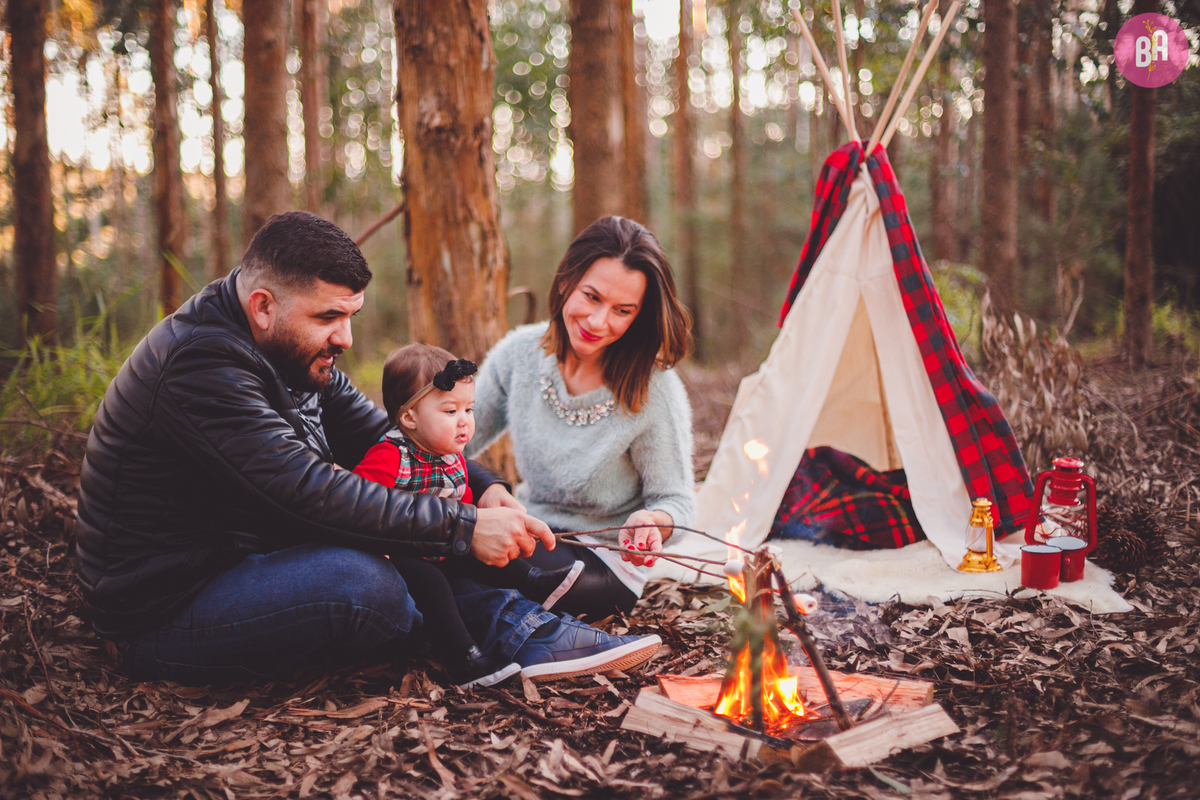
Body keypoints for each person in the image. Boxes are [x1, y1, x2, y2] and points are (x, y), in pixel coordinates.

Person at [76, 211, 660, 685]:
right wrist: (461, 528)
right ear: (263, 306)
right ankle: (499, 632)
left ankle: (514, 625)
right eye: (329, 317)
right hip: (169, 611)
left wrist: (486, 489)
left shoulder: (289, 348)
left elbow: (384, 436)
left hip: (255, 555)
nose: (346, 338)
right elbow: (304, 492)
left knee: (409, 536)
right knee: (366, 586)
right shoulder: (200, 366)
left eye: (351, 315)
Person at [467, 215, 695, 621]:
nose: (598, 322)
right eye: (592, 297)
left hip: (601, 564)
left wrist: (651, 522)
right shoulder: (519, 355)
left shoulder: (653, 387)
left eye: (622, 310)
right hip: (532, 531)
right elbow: (453, 440)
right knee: (457, 545)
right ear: (565, 281)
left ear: (638, 316)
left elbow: (676, 503)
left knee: (479, 553)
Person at [351, 343, 590, 688]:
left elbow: (464, 507)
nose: (464, 421)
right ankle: (463, 659)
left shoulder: (451, 456)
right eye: (450, 411)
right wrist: (378, 549)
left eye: (469, 409)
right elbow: (359, 504)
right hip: (401, 554)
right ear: (410, 418)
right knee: (432, 585)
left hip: (439, 544)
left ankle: (534, 581)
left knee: (482, 555)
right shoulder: (389, 457)